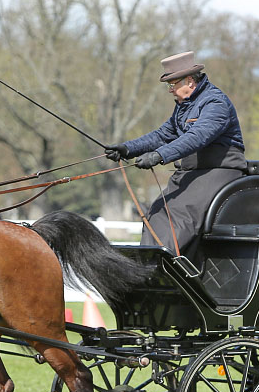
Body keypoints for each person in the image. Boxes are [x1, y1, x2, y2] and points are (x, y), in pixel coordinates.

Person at [104, 51, 246, 256]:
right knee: (155, 212)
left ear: (190, 81)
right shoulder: (184, 107)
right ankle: (149, 263)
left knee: (179, 215)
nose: (170, 90)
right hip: (192, 172)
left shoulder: (215, 103)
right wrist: (128, 148)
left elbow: (197, 137)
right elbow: (162, 135)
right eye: (168, 85)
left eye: (173, 84)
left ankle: (164, 265)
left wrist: (159, 156)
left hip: (219, 171)